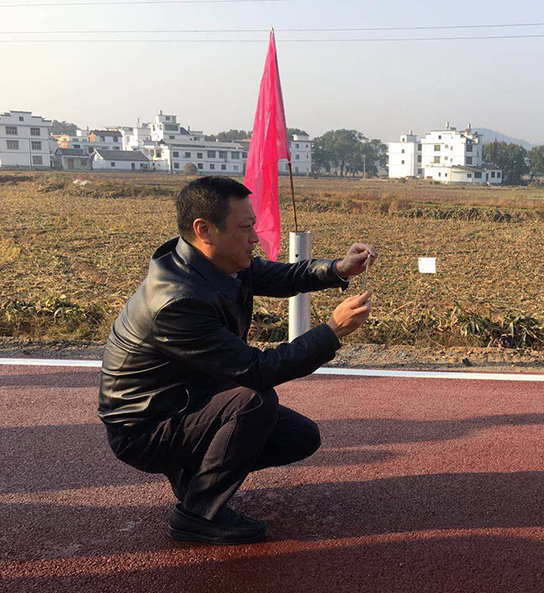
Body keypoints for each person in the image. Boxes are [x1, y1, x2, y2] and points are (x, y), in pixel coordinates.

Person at [98, 176, 376, 545]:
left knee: (298, 437)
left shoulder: (213, 262)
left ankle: (193, 476)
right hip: (144, 427)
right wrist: (332, 331)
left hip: (184, 401)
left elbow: (281, 277)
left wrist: (338, 268)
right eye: (245, 228)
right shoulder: (177, 302)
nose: (255, 238)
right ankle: (198, 514)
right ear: (204, 230)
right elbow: (258, 370)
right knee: (254, 401)